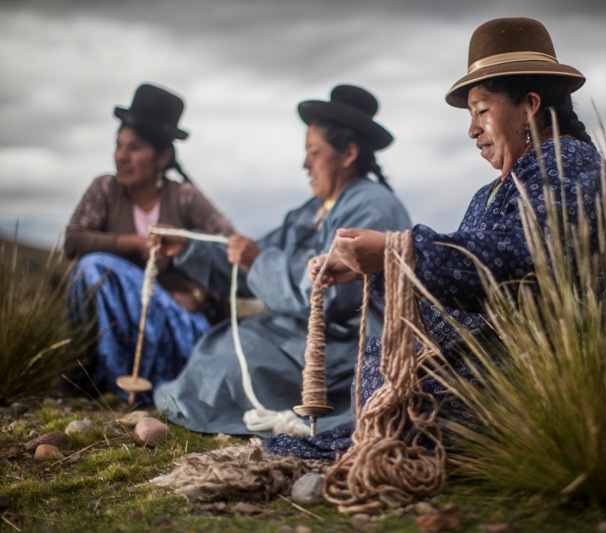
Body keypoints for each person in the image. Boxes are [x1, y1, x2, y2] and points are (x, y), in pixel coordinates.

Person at [266, 17, 606, 458]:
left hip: (553, 374)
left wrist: (393, 250)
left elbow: (514, 263)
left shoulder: (568, 165)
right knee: (392, 391)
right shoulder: (493, 192)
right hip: (507, 361)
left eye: (482, 110)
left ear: (530, 105)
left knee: (408, 412)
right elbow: (459, 280)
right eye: (470, 115)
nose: (472, 129)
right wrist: (364, 266)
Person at [153, 84, 412, 436]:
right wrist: (186, 250)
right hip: (296, 334)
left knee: (232, 354)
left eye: (314, 152)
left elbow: (332, 296)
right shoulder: (309, 211)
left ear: (348, 153)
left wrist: (258, 261)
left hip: (344, 348)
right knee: (222, 342)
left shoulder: (372, 206)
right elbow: (250, 271)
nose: (305, 163)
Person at [65, 82, 236, 403]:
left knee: (95, 266)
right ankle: (99, 378)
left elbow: (231, 248)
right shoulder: (105, 189)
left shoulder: (184, 197)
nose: (122, 157)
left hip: (177, 330)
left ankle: (139, 388)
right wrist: (137, 244)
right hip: (121, 329)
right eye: (119, 146)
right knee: (91, 268)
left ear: (163, 157)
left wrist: (198, 293)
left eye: (135, 148)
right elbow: (74, 240)